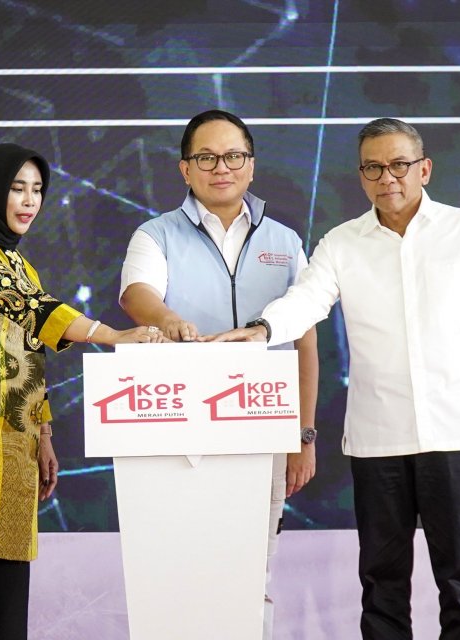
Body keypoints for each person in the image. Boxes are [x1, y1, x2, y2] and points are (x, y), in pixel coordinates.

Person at [207, 118, 460, 639]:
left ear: (424, 169)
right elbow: (306, 300)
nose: (387, 178)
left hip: (459, 432)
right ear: (361, 176)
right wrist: (263, 330)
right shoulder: (342, 243)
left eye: (399, 165)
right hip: (378, 439)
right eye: (373, 168)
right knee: (381, 583)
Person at [0, 143, 164, 639]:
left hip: (15, 439)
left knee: (9, 595)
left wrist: (44, 434)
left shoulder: (17, 262)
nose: (30, 201)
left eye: (37, 190)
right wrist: (111, 335)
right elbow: (32, 308)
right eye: (17, 188)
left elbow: (31, 354)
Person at [119, 109, 320, 639]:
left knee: (255, 572)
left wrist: (303, 435)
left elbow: (304, 341)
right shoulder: (156, 234)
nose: (221, 168)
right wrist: (167, 319)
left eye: (233, 156)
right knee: (178, 568)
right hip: (178, 430)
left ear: (251, 165)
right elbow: (137, 293)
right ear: (185, 169)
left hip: (263, 428)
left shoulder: (285, 241)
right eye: (206, 158)